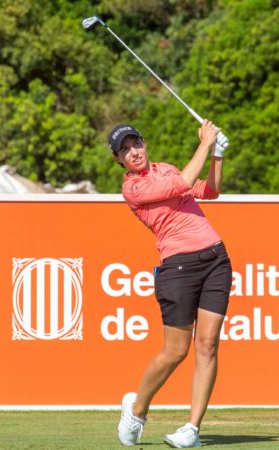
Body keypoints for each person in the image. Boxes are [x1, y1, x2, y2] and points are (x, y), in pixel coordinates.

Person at [109, 120, 232, 448]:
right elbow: (181, 185)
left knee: (207, 345)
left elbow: (209, 191)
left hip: (216, 259)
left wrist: (218, 156)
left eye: (135, 144)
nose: (133, 152)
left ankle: (192, 428)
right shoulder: (132, 189)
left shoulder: (166, 169)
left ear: (144, 144)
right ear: (119, 161)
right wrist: (205, 143)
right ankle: (136, 409)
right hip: (178, 268)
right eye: (124, 150)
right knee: (176, 350)